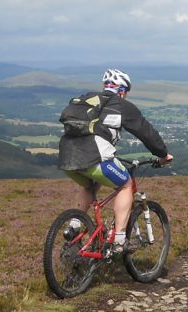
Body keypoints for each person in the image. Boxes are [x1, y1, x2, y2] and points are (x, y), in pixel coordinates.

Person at [58, 69, 173, 253]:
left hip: (67, 156)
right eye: (126, 92)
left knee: (90, 185)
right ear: (122, 90)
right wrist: (163, 154)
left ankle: (74, 225)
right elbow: (145, 132)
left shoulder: (89, 99)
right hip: (95, 155)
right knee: (125, 185)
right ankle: (119, 240)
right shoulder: (121, 104)